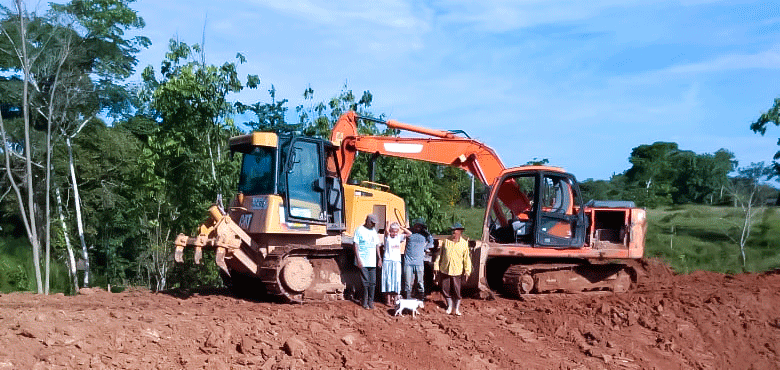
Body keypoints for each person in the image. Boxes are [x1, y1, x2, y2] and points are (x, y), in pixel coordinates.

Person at [433, 222, 472, 316]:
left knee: (456, 290)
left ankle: (456, 308)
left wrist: (467, 271)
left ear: (460, 231)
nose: (454, 232)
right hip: (445, 269)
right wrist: (436, 266)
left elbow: (466, 258)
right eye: (453, 230)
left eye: (456, 230)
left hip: (457, 270)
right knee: (445, 289)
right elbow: (439, 255)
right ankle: (449, 306)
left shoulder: (464, 244)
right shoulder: (446, 241)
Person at [353, 214, 382, 309]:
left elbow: (377, 245)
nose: (374, 225)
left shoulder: (373, 231)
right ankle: (364, 302)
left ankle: (371, 301)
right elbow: (355, 245)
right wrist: (358, 259)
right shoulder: (359, 230)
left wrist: (379, 258)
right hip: (363, 260)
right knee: (365, 282)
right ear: (368, 221)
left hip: (372, 261)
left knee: (372, 282)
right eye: (372, 223)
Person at [381, 221, 411, 305]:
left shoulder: (399, 237)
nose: (394, 233)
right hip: (388, 261)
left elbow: (409, 234)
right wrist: (387, 225)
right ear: (390, 230)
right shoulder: (387, 237)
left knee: (396, 280)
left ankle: (395, 299)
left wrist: (402, 228)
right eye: (392, 231)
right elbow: (386, 231)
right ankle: (388, 300)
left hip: (397, 261)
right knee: (388, 280)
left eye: (396, 231)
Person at [403, 219, 433, 301]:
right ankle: (408, 298)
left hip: (419, 262)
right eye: (416, 225)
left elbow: (431, 242)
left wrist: (425, 248)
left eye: (420, 226)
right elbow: (401, 237)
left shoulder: (425, 234)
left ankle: (420, 299)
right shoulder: (409, 232)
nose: (418, 227)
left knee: (420, 281)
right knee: (408, 282)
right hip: (408, 262)